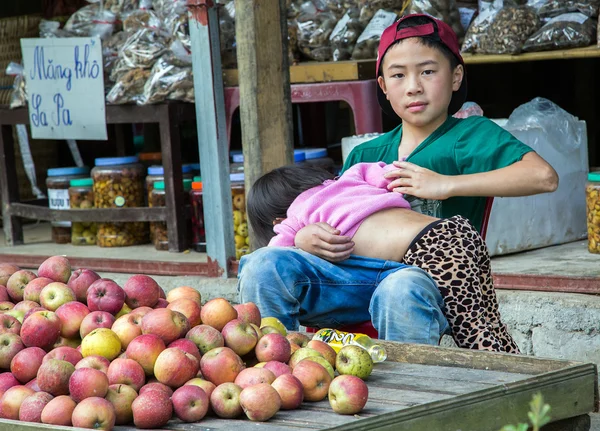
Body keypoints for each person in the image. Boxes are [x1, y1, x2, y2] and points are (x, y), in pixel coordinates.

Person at [237, 14, 558, 346]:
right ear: (384, 87)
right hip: (352, 280)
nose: (413, 86)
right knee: (262, 264)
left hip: (425, 285)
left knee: (398, 288)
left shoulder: (469, 134)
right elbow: (336, 216)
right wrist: (303, 240)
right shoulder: (367, 152)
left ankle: (415, 394)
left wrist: (445, 184)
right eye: (398, 75)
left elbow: (543, 177)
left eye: (428, 71)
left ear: (456, 76)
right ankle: (276, 373)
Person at [246, 162, 520, 353]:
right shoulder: (351, 177)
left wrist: (295, 236)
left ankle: (277, 363)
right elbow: (391, 172)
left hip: (424, 250)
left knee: (472, 334)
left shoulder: (294, 220)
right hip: (457, 231)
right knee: (484, 322)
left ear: (276, 220)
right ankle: (514, 367)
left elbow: (274, 255)